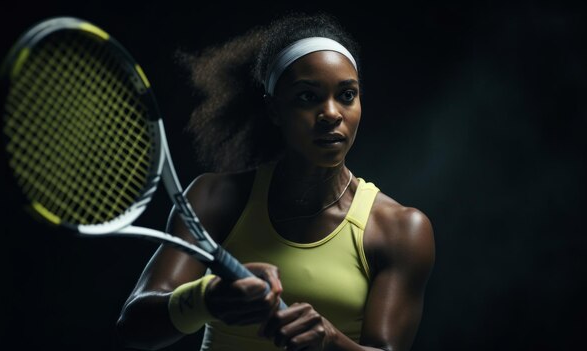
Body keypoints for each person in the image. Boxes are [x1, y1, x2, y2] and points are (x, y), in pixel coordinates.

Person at [116, 12, 435, 351]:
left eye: (346, 95)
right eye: (307, 96)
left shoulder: (400, 230)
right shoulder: (217, 198)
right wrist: (206, 299)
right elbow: (134, 325)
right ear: (274, 110)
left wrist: (330, 342)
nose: (331, 113)